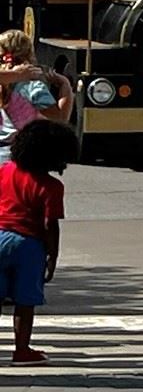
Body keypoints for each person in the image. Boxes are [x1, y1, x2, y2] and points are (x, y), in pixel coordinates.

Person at [0, 121, 78, 365]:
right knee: (25, 301)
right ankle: (21, 350)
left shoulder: (5, 170)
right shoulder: (52, 187)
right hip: (29, 244)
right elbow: (49, 224)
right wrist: (52, 256)